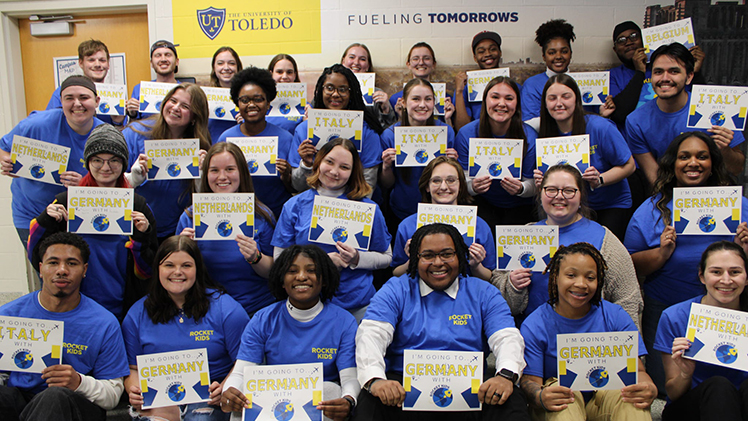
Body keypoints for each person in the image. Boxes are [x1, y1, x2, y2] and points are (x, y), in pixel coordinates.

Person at [354, 223, 529, 421]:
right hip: (404, 388)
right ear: (415, 259)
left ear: (460, 256)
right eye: (428, 255)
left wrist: (505, 376)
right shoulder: (396, 289)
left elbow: (507, 336)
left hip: (471, 388)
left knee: (511, 399)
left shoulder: (484, 292)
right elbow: (371, 334)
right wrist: (375, 380)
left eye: (447, 254)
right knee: (370, 402)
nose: (438, 262)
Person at [625, 131, 748, 396]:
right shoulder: (652, 209)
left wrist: (745, 249)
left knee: (729, 387)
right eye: (685, 157)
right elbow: (631, 264)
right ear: (673, 163)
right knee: (668, 388)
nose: (693, 162)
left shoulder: (739, 206)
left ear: (713, 163)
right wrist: (661, 253)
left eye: (702, 156)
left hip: (731, 314)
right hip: (669, 313)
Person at [28, 124, 158, 319]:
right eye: (97, 160)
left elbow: (148, 271)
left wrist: (141, 237)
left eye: (114, 160)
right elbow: (36, 256)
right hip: (72, 304)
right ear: (88, 163)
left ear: (123, 164)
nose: (105, 167)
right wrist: (44, 221)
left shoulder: (138, 207)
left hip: (123, 304)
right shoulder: (66, 202)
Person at [519, 242, 656, 421]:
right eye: (571, 275)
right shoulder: (535, 324)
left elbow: (638, 371)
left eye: (590, 277)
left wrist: (648, 387)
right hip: (562, 402)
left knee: (631, 399)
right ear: (555, 277)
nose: (581, 284)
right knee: (562, 395)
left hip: (605, 399)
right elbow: (530, 381)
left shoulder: (615, 316)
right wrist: (540, 396)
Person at [0, 232, 129, 421]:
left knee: (54, 397)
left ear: (84, 270)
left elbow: (113, 396)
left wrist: (78, 382)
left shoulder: (104, 323)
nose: (62, 270)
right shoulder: (8, 314)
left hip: (74, 404)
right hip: (21, 401)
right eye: (53, 263)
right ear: (41, 268)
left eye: (71, 263)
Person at [493, 164, 642, 327]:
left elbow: (628, 298)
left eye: (569, 190)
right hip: (534, 339)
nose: (559, 196)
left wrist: (629, 346)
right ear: (541, 194)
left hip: (589, 339)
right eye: (551, 190)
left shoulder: (604, 238)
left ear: (580, 197)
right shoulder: (522, 235)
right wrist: (513, 285)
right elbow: (501, 300)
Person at [221, 245, 359, 421]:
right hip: (273, 399)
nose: (301, 276)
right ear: (282, 280)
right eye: (292, 271)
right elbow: (241, 372)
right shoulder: (263, 319)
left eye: (311, 270)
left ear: (324, 279)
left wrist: (349, 400)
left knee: (332, 391)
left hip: (318, 403)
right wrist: (229, 391)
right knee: (242, 404)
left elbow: (349, 378)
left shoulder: (344, 322)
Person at [123, 236, 249, 421]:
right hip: (159, 398)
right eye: (169, 265)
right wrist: (134, 390)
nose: (177, 272)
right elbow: (132, 369)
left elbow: (245, 361)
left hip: (209, 399)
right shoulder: (137, 314)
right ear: (158, 268)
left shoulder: (227, 310)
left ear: (197, 269)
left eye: (186, 266)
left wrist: (225, 387)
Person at [273, 138, 391, 322]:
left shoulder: (369, 208)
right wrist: (319, 263)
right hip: (306, 306)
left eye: (344, 167)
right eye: (329, 162)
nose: (334, 172)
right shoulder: (294, 205)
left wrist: (357, 258)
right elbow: (279, 260)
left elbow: (386, 257)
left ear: (353, 172)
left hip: (357, 305)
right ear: (319, 161)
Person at [0, 75, 105, 244]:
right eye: (69, 98)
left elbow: (118, 183)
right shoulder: (37, 124)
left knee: (76, 267)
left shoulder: (106, 135)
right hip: (32, 213)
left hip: (79, 216)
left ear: (97, 100)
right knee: (46, 268)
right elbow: (4, 147)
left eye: (84, 98)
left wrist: (86, 183)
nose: (77, 104)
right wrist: (8, 162)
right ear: (61, 102)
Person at [176, 142, 276, 315]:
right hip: (206, 310)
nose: (222, 177)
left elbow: (273, 272)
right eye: (214, 170)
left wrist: (256, 257)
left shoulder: (262, 215)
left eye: (230, 169)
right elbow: (176, 274)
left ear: (242, 173)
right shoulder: (190, 217)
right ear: (206, 175)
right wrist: (183, 250)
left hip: (256, 310)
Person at [625, 43, 744, 188]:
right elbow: (655, 178)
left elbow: (737, 168)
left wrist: (724, 150)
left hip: (715, 193)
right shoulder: (636, 121)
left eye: (674, 71)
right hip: (671, 194)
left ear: (689, 77)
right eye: (658, 72)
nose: (665, 78)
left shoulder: (714, 110)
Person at [654, 241, 748, 421]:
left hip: (742, 403)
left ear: (746, 277)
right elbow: (673, 394)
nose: (726, 280)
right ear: (702, 276)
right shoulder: (674, 316)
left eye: (735, 272)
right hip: (691, 407)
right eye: (716, 272)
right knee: (719, 386)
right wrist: (685, 373)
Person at [534, 74, 635, 240]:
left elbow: (629, 165)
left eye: (565, 97)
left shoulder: (600, 126)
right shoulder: (545, 134)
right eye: (552, 98)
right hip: (570, 206)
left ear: (577, 100)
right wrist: (542, 182)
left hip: (609, 204)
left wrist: (600, 179)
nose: (559, 103)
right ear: (545, 103)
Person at [124, 83, 211, 243]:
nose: (176, 108)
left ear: (194, 117)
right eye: (173, 101)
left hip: (177, 231)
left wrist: (202, 178)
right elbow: (108, 183)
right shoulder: (134, 133)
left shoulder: (201, 147)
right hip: (135, 227)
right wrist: (132, 178)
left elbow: (206, 201)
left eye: (185, 106)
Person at [391, 156, 496, 281]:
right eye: (436, 181)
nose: (444, 187)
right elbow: (396, 273)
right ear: (427, 186)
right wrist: (411, 260)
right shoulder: (407, 225)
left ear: (461, 185)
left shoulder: (480, 225)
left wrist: (476, 265)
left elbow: (490, 277)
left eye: (451, 180)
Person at [455, 76, 538, 228]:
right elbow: (461, 182)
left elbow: (534, 184)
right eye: (495, 97)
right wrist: (472, 187)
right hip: (482, 203)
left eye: (509, 98)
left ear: (517, 104)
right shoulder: (466, 134)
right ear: (485, 100)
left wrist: (521, 188)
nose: (502, 103)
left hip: (521, 205)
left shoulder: (530, 137)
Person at [288, 64, 383, 195]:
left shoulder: (367, 132)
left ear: (351, 92)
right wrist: (306, 164)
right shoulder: (304, 130)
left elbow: (368, 186)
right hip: (313, 206)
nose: (335, 94)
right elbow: (298, 186)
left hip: (352, 206)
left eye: (343, 89)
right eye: (329, 88)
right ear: (321, 91)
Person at [217, 66, 294, 219]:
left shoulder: (285, 138)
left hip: (277, 216)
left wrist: (287, 175)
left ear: (268, 104)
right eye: (245, 100)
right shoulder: (226, 139)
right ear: (237, 104)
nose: (251, 105)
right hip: (236, 216)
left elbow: (295, 187)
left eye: (258, 99)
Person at [601, 21, 707, 131]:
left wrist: (696, 72)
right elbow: (619, 115)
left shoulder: (665, 68)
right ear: (615, 49)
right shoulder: (611, 76)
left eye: (634, 36)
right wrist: (639, 72)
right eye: (621, 40)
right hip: (635, 137)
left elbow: (700, 107)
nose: (628, 42)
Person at [379, 78, 456, 228]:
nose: (422, 105)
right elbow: (387, 184)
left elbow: (455, 180)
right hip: (402, 210)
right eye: (415, 99)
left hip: (440, 210)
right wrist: (386, 166)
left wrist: (454, 163)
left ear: (434, 102)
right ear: (402, 102)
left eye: (428, 99)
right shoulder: (389, 135)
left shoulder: (446, 132)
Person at [46, 39, 125, 126]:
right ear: (80, 63)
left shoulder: (115, 95)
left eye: (102, 60)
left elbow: (120, 131)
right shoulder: (63, 92)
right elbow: (51, 124)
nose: (98, 64)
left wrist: (118, 121)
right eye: (91, 60)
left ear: (108, 64)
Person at [521, 19, 576, 124]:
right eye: (552, 52)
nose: (558, 56)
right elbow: (529, 123)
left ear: (571, 53)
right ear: (544, 56)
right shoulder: (532, 85)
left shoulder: (584, 82)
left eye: (564, 51)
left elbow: (590, 117)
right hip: (545, 139)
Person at [453, 30, 504, 131]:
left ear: (500, 53)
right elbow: (461, 128)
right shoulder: (465, 88)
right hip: (476, 140)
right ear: (475, 58)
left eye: (493, 49)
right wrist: (459, 91)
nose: (488, 54)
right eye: (481, 51)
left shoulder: (511, 87)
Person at [340, 43, 397, 129]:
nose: (356, 62)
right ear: (343, 61)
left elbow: (389, 129)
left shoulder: (376, 94)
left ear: (368, 66)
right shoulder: (331, 89)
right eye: (352, 57)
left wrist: (385, 109)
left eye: (362, 59)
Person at [126, 40, 180, 120]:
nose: (163, 59)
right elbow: (133, 126)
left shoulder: (186, 91)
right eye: (158, 55)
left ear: (177, 62)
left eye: (168, 55)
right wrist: (132, 114)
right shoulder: (139, 89)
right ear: (151, 63)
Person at [388, 43, 443, 114]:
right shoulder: (395, 99)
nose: (421, 62)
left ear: (433, 64)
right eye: (415, 59)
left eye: (426, 58)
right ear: (408, 64)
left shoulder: (444, 98)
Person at [207, 46, 243, 142]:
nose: (226, 68)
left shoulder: (247, 97)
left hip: (241, 150)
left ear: (238, 67)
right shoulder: (205, 97)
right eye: (220, 63)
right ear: (214, 68)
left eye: (231, 63)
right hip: (214, 151)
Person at [266, 53, 305, 135]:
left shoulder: (305, 106)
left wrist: (309, 121)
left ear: (295, 75)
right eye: (279, 72)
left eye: (289, 72)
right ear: (271, 74)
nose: (284, 76)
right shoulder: (261, 104)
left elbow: (309, 135)